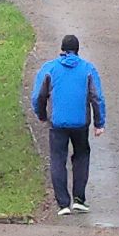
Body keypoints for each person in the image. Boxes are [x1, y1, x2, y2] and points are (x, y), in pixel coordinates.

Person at [33, 34, 106, 215]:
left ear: (62, 50)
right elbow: (97, 97)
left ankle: (63, 203)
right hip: (80, 122)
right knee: (81, 155)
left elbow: (38, 96)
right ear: (78, 50)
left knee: (58, 159)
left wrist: (42, 114)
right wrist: (99, 122)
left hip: (57, 123)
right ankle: (79, 198)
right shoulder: (88, 69)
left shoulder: (49, 68)